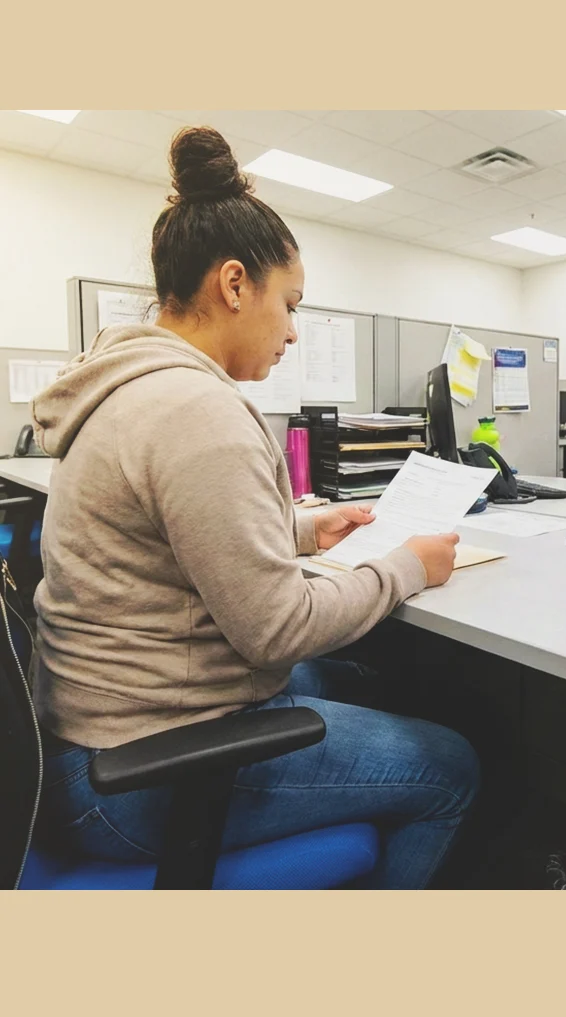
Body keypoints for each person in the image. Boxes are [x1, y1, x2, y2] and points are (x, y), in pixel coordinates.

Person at [29, 126, 479, 889]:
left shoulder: (128, 384)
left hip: (91, 733)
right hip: (137, 775)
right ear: (234, 285)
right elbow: (277, 630)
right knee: (452, 764)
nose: (294, 331)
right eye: (289, 303)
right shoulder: (195, 410)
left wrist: (300, 528)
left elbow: (167, 537)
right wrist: (409, 566)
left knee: (358, 677)